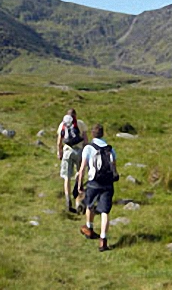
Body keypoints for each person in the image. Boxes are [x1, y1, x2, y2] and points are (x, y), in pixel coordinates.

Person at [77, 123, 118, 252]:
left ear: (92, 134)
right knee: (105, 211)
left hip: (93, 182)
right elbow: (114, 168)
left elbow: (83, 168)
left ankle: (89, 228)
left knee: (90, 205)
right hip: (107, 183)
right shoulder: (110, 149)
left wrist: (79, 184)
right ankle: (103, 240)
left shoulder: (88, 148)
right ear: (103, 134)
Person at [57, 108, 88, 213]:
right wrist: (86, 151)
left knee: (67, 177)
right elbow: (85, 139)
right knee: (80, 173)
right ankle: (79, 200)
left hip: (67, 152)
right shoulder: (80, 123)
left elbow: (59, 141)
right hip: (79, 152)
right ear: (75, 115)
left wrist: (59, 152)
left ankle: (67, 199)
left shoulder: (62, 125)